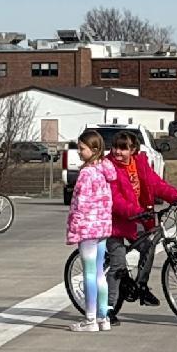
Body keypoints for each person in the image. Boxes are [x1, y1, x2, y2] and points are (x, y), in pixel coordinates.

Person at [105, 131, 177, 324]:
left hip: (135, 220)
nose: (118, 151)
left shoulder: (140, 164)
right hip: (114, 222)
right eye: (116, 147)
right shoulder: (108, 168)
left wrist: (176, 196)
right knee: (117, 265)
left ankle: (141, 286)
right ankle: (108, 309)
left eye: (123, 148)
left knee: (148, 246)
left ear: (133, 150)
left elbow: (156, 184)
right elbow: (114, 199)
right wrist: (135, 211)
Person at [65, 130, 117, 332]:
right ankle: (103, 317)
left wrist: (74, 227)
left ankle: (90, 319)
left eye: (82, 148)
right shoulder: (105, 171)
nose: (79, 152)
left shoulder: (87, 173)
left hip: (87, 227)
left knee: (89, 273)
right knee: (99, 274)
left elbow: (80, 203)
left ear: (94, 149)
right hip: (103, 227)